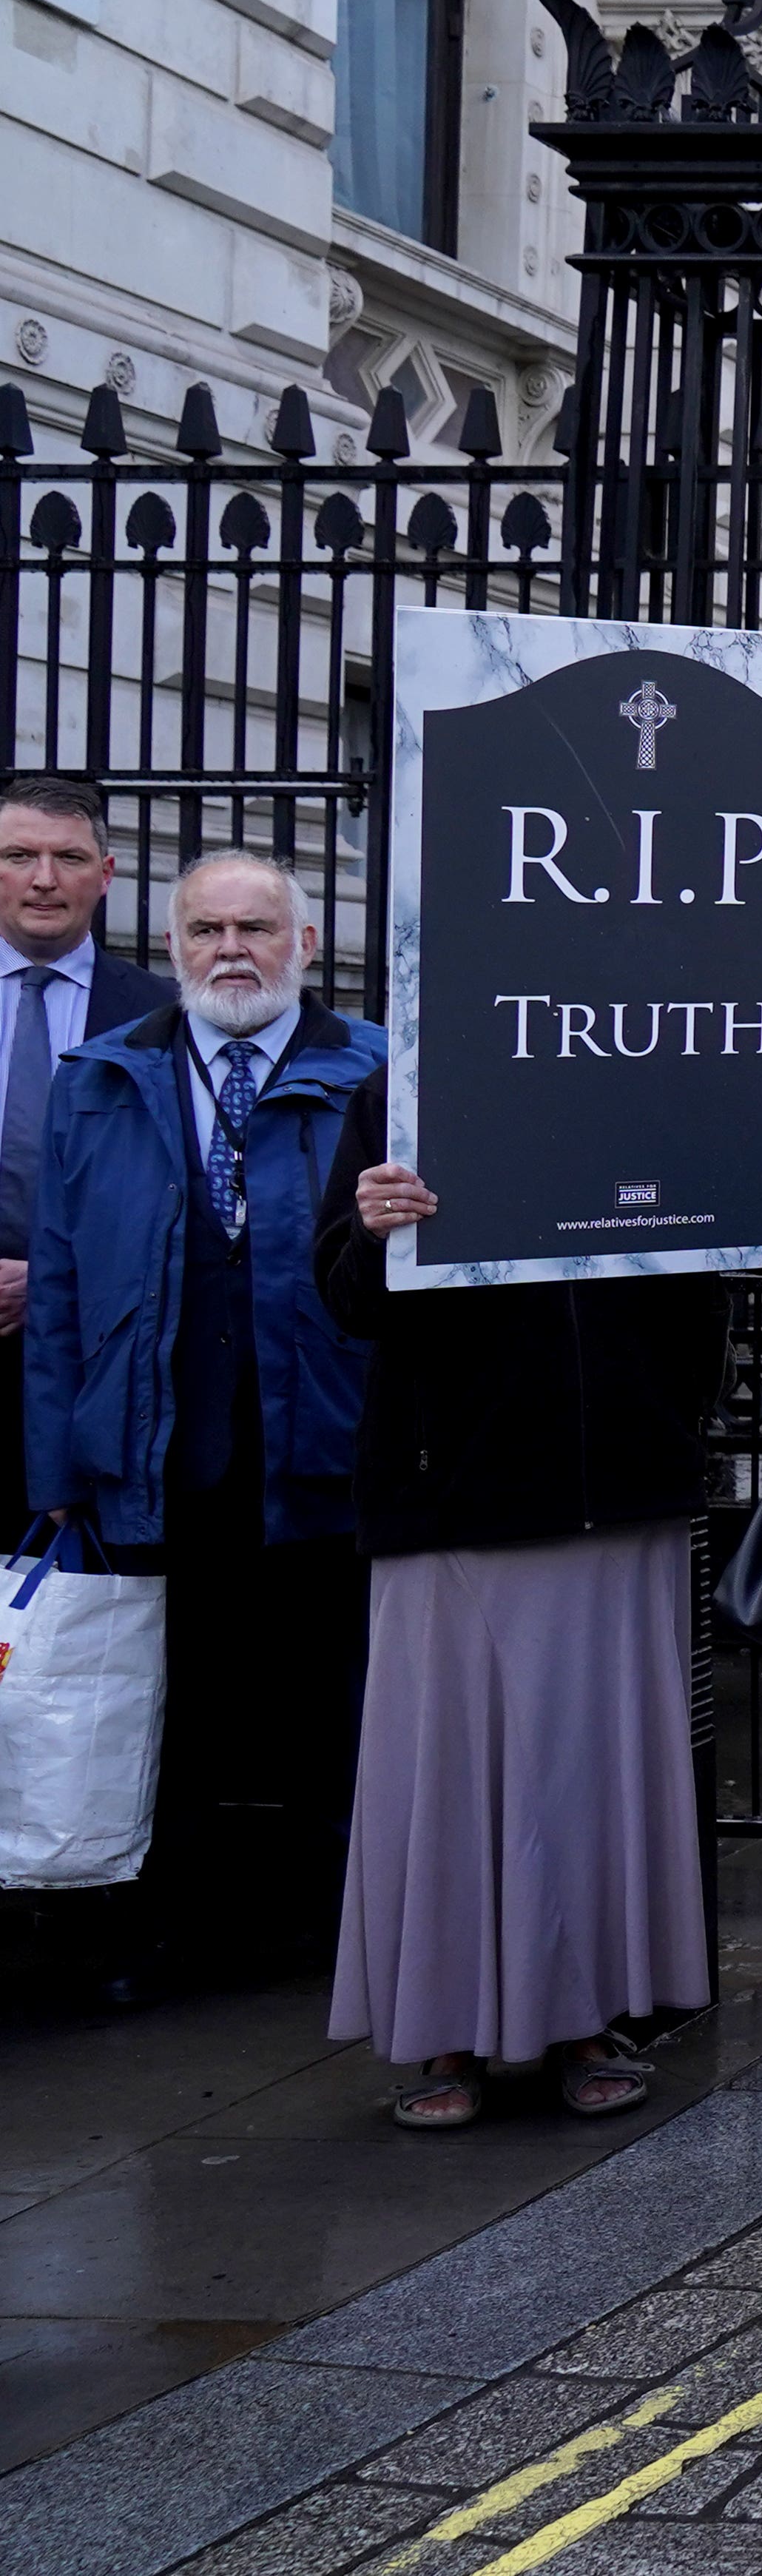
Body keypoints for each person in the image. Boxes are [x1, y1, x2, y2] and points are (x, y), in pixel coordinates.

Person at [317, 1069, 762, 2129]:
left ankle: (589, 2018)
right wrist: (374, 1225)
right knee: (452, 1775)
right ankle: (448, 2027)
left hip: (624, 1482)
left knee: (590, 1772)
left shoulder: (664, 1071)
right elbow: (345, 1299)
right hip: (457, 1492)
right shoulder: (404, 1090)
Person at [26, 851, 383, 1999]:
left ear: (305, 945)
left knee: (335, 1698)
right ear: (172, 945)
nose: (232, 950)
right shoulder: (103, 1076)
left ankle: (352, 1941)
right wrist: (57, 1467)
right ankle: (158, 1935)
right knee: (162, 1701)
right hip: (160, 1442)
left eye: (256, 928)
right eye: (205, 929)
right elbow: (62, 1290)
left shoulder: (376, 1068)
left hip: (326, 1440)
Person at [0, 777, 176, 1521]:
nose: (44, 879)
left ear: (105, 876)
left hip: (100, 1369)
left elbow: (188, 1187)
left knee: (83, 1624)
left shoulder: (166, 1017)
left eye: (69, 857)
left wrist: (51, 1280)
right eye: (19, 854)